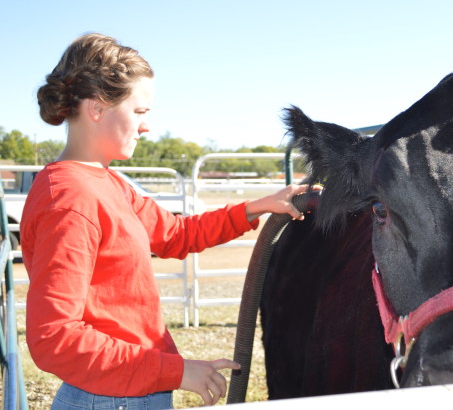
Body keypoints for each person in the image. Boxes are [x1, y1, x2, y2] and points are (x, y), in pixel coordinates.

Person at [21, 33, 312, 409]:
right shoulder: (71, 199)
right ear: (96, 107)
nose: (146, 127)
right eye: (140, 112)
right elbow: (55, 338)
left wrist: (256, 207)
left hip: (127, 390)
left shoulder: (105, 183)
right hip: (112, 397)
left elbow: (177, 234)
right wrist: (177, 371)